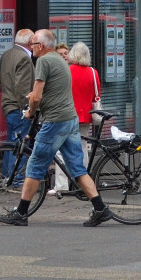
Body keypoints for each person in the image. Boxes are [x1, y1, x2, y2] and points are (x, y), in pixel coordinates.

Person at [0, 28, 112, 227]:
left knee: (35, 165)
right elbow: (53, 90)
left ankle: (21, 212)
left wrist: (30, 110)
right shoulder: (61, 61)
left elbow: (38, 94)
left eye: (33, 43)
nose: (31, 47)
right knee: (77, 167)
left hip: (55, 121)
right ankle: (100, 208)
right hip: (70, 119)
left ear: (40, 46)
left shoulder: (43, 61)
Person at [50, 42, 103, 196]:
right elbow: (96, 94)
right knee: (82, 149)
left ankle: (62, 185)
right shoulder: (93, 72)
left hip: (67, 115)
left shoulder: (67, 71)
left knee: (61, 151)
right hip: (86, 115)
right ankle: (83, 185)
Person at [0, 28, 35, 177]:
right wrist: (28, 109)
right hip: (19, 108)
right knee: (20, 145)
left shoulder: (7, 54)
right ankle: (17, 179)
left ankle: (8, 177)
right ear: (30, 42)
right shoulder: (24, 58)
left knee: (12, 143)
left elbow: (2, 82)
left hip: (8, 105)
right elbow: (23, 89)